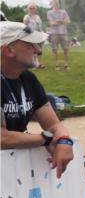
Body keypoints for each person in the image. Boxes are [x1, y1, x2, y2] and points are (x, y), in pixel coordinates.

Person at [1, 22, 75, 177]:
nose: (38, 50)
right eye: (30, 45)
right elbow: (2, 138)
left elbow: (54, 124)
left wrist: (64, 140)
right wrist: (46, 139)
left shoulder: (27, 78)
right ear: (9, 50)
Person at [45, 0, 71, 70]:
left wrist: (59, 21)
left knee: (66, 49)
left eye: (57, 3)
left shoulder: (63, 12)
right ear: (52, 4)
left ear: (59, 4)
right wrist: (62, 21)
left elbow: (68, 21)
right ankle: (57, 65)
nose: (56, 4)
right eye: (54, 3)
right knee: (55, 49)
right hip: (54, 33)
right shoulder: (49, 12)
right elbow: (51, 23)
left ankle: (66, 65)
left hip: (63, 32)